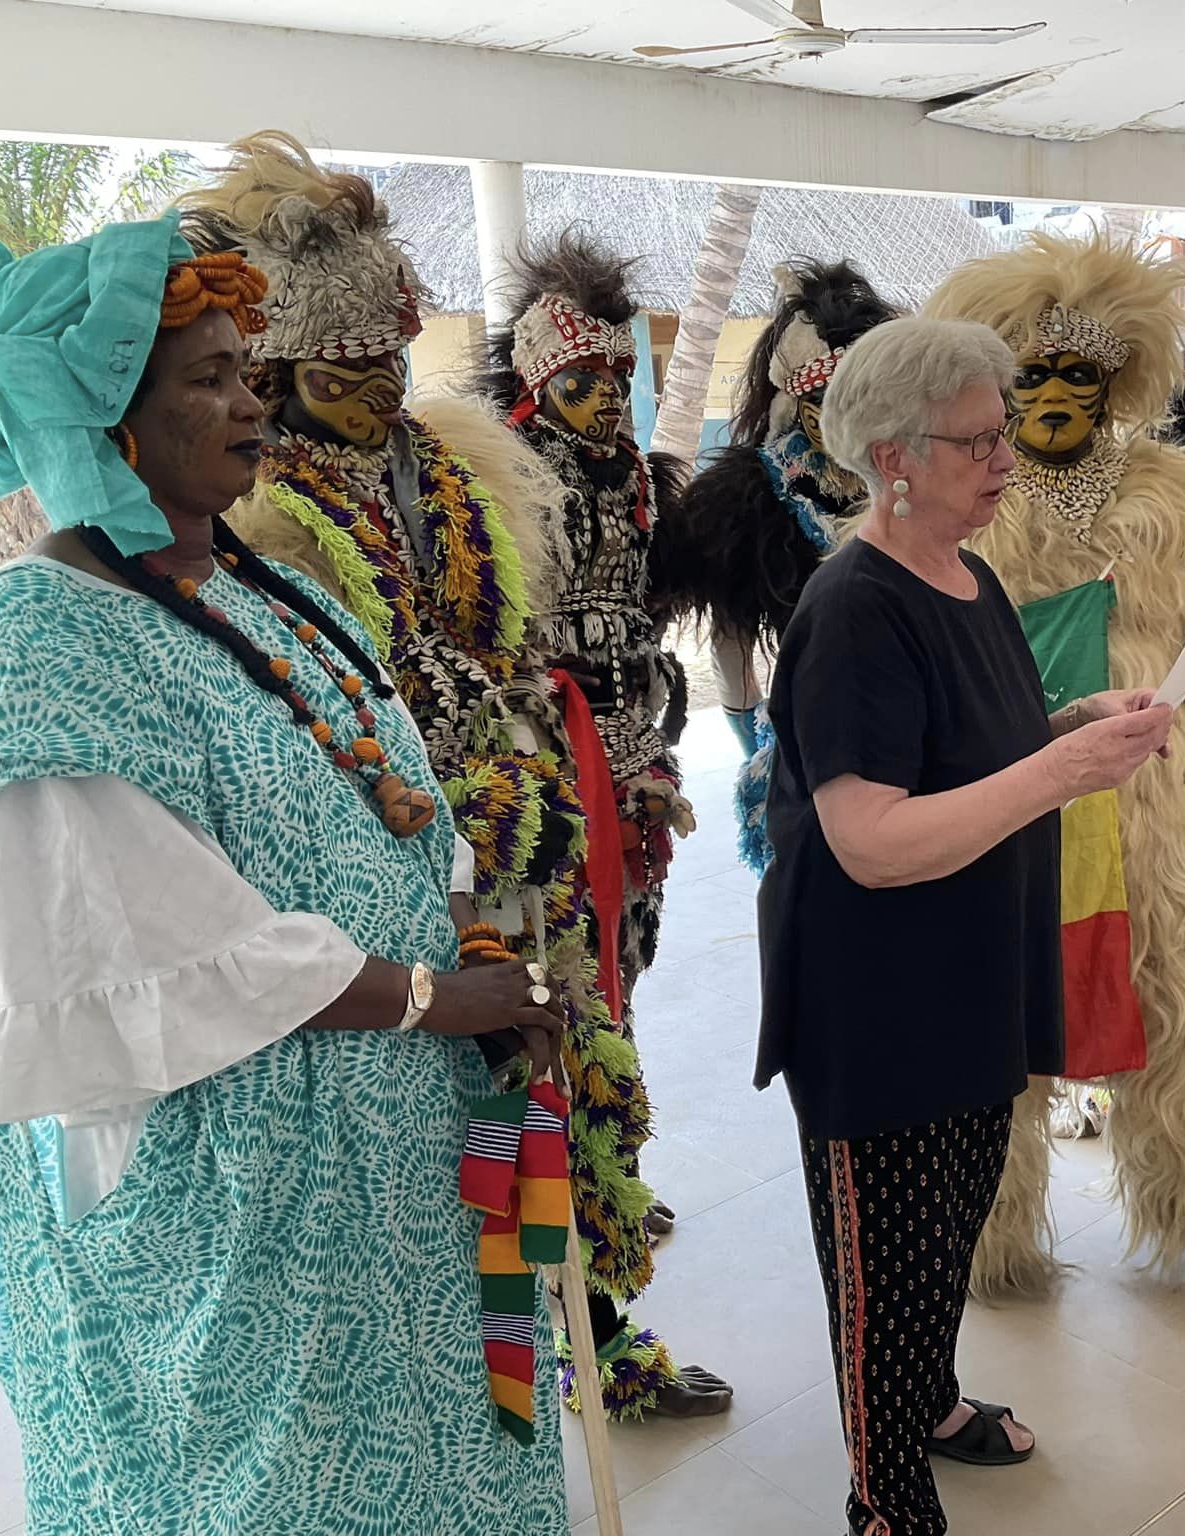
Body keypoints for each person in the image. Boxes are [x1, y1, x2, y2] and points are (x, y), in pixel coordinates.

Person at [0, 213, 569, 1529]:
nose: (254, 404)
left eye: (247, 371)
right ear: (99, 418)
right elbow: (155, 950)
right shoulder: (43, 643)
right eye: (208, 378)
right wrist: (435, 1001)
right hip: (230, 1210)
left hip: (387, 1166)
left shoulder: (254, 588)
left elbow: (399, 797)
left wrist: (471, 948)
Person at [188, 131, 723, 1421]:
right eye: (343, 372)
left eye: (391, 361)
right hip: (392, 866)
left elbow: (514, 642)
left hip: (529, 824)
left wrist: (561, 768)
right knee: (453, 1132)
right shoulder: (252, 517)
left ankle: (593, 1331)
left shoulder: (453, 467)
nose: (379, 391)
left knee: (570, 1068)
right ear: (273, 374)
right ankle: (477, 1368)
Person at [752, 316, 1173, 1536]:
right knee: (884, 1265)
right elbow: (871, 841)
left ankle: (927, 1403)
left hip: (972, 970)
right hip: (876, 997)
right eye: (977, 441)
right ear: (892, 457)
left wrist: (1070, 727)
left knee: (945, 1228)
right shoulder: (852, 609)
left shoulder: (969, 574)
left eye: (1003, 435)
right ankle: (884, 1497)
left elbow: (977, 747)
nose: (1005, 460)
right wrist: (1060, 772)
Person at [924, 233, 1185, 1288]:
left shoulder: (1182, 505)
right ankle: (984, 1232)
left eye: (1078, 375)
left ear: (1114, 384)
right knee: (990, 1023)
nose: (1054, 397)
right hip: (1000, 814)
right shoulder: (947, 504)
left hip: (1153, 820)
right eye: (1033, 375)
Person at [474, 231, 735, 1415]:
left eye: (616, 381)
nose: (602, 403)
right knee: (565, 1019)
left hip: (630, 778)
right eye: (580, 382)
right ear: (535, 383)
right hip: (542, 787)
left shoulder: (633, 481)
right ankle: (586, 1320)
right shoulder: (495, 482)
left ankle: (603, 1197)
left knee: (618, 991)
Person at [646, 260, 896, 873]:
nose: (842, 418)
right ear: (794, 401)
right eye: (823, 400)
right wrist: (753, 734)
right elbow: (730, 632)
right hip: (808, 719)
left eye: (859, 400)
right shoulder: (751, 500)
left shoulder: (917, 475)